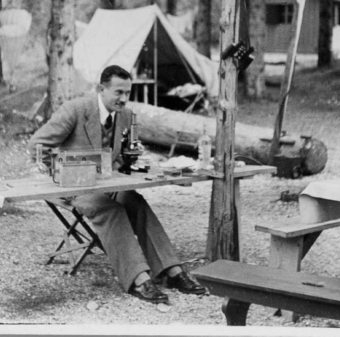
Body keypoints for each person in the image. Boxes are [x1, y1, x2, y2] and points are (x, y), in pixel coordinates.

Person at [28, 65, 206, 304]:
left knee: (136, 202)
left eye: (127, 93)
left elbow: (123, 156)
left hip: (109, 183)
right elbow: (36, 145)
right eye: (118, 92)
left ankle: (171, 271)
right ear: (102, 89)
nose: (124, 99)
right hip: (76, 187)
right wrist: (64, 172)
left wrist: (136, 162)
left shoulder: (126, 115)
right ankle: (139, 279)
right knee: (111, 210)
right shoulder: (75, 110)